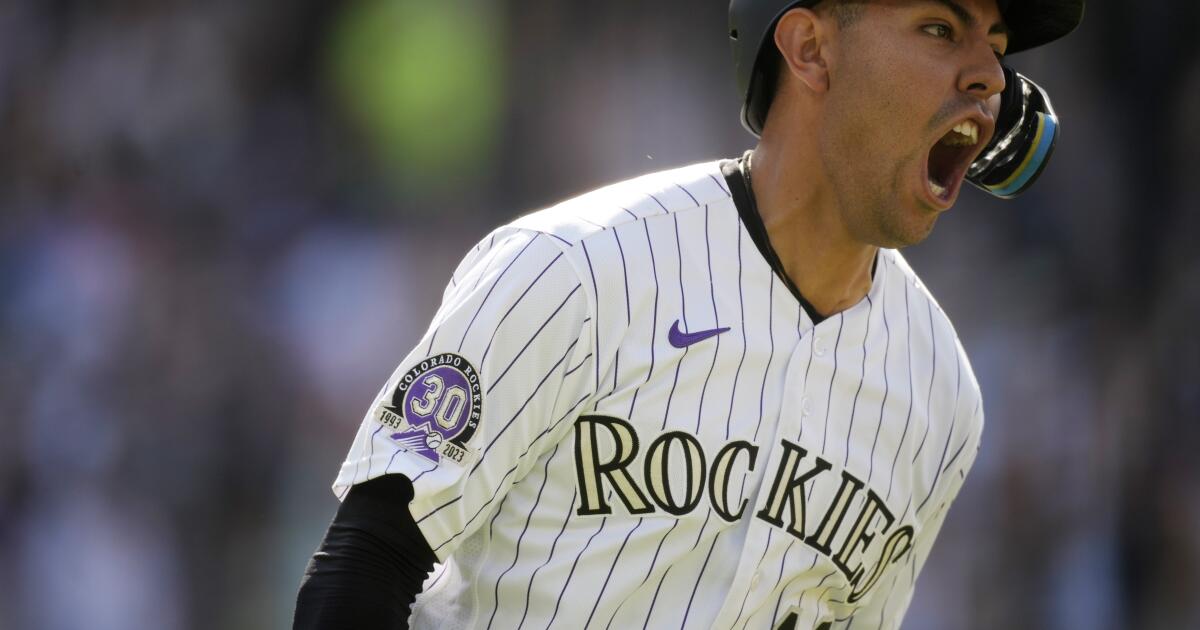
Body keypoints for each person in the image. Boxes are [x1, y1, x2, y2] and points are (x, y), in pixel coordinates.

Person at [294, 1, 1083, 628]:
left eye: (997, 44)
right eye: (940, 28)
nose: (990, 76)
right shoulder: (577, 269)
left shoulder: (942, 397)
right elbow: (367, 564)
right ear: (810, 48)